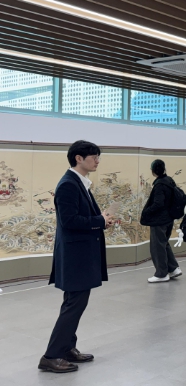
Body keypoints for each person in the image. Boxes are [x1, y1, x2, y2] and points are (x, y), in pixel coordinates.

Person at [39, 141, 115, 373]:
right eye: (94, 157)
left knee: (73, 303)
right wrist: (99, 220)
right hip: (75, 256)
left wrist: (102, 220)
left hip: (80, 253)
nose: (97, 161)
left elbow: (82, 217)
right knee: (74, 305)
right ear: (78, 158)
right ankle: (51, 356)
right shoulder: (68, 185)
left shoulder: (80, 183)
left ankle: (67, 347)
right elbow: (69, 221)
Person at [140, 159, 182, 283]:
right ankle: (173, 268)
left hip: (159, 220)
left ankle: (161, 273)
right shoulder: (169, 181)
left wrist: (146, 211)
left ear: (153, 171)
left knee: (157, 246)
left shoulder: (159, 185)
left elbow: (158, 203)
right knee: (163, 243)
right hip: (169, 219)